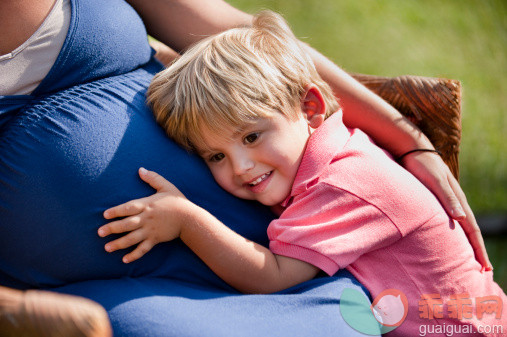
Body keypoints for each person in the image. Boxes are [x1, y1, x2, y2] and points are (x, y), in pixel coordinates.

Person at [0, 0, 491, 335]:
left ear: (313, 108)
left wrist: (407, 137)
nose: (238, 167)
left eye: (253, 137)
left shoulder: (351, 184)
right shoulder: (312, 167)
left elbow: (276, 276)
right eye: (214, 156)